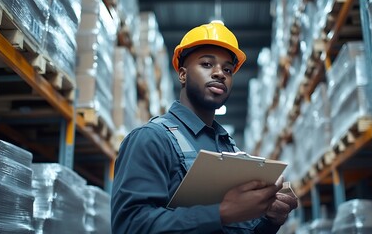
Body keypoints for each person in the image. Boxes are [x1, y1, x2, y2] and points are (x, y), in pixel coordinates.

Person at [111, 21, 298, 233]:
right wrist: (223, 211)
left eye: (227, 69)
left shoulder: (231, 151)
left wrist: (271, 221)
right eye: (207, 64)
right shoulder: (151, 139)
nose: (220, 73)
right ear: (182, 74)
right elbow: (130, 226)